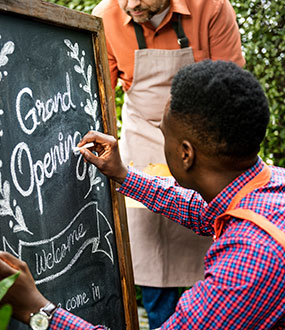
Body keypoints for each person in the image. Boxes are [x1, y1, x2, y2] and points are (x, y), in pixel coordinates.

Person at [0, 60, 285, 329]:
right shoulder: (277, 186)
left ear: (186, 153)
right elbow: (200, 210)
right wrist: (123, 174)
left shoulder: (252, 258)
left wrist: (38, 310)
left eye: (162, 133)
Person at [92, 0, 245, 326]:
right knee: (152, 253)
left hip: (202, 140)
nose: (131, 4)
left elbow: (231, 87)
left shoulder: (211, 8)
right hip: (144, 141)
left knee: (210, 244)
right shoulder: (105, 17)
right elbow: (97, 93)